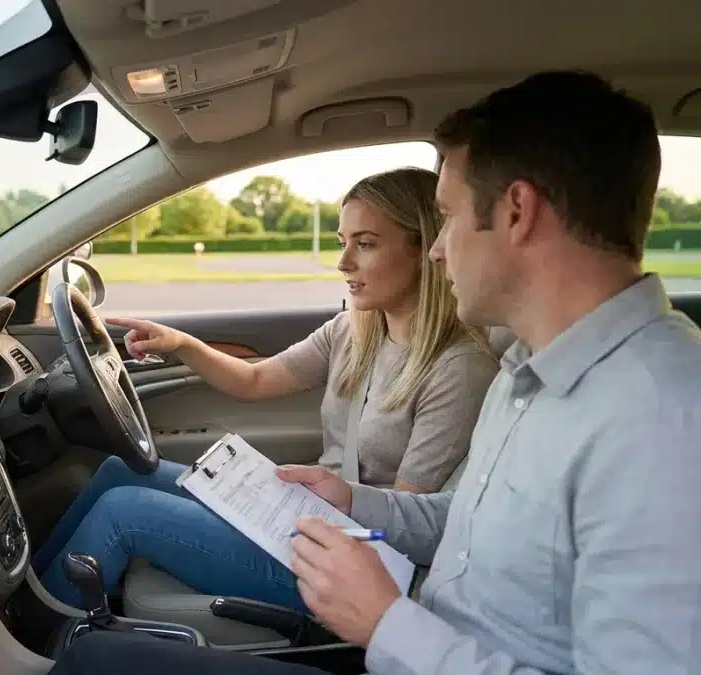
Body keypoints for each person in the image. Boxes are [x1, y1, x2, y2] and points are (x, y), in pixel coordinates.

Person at [47, 70, 701, 675]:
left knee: (94, 661)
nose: (440, 249)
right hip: (408, 639)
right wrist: (358, 499)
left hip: (404, 642)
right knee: (100, 652)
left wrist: (389, 621)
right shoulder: (528, 369)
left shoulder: (662, 421)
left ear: (516, 212)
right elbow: (460, 523)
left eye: (444, 216)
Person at [34, 166, 500, 611]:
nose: (343, 262)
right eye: (343, 243)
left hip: (354, 560)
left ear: (424, 250)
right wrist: (181, 344)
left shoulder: (458, 369)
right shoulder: (352, 331)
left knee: (124, 511)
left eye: (366, 244)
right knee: (119, 472)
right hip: (304, 518)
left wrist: (277, 517)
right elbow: (258, 379)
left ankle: (32, 640)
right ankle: (31, 605)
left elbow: (405, 524)